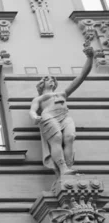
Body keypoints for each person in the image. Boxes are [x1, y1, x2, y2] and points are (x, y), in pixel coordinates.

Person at [30, 45, 94, 176]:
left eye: (53, 79)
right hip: (49, 116)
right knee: (57, 138)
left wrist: (90, 57)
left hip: (64, 116)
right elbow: (32, 110)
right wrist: (34, 117)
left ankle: (69, 167)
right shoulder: (40, 98)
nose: (52, 80)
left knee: (69, 137)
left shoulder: (62, 94)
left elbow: (81, 77)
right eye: (48, 79)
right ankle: (62, 167)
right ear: (42, 83)